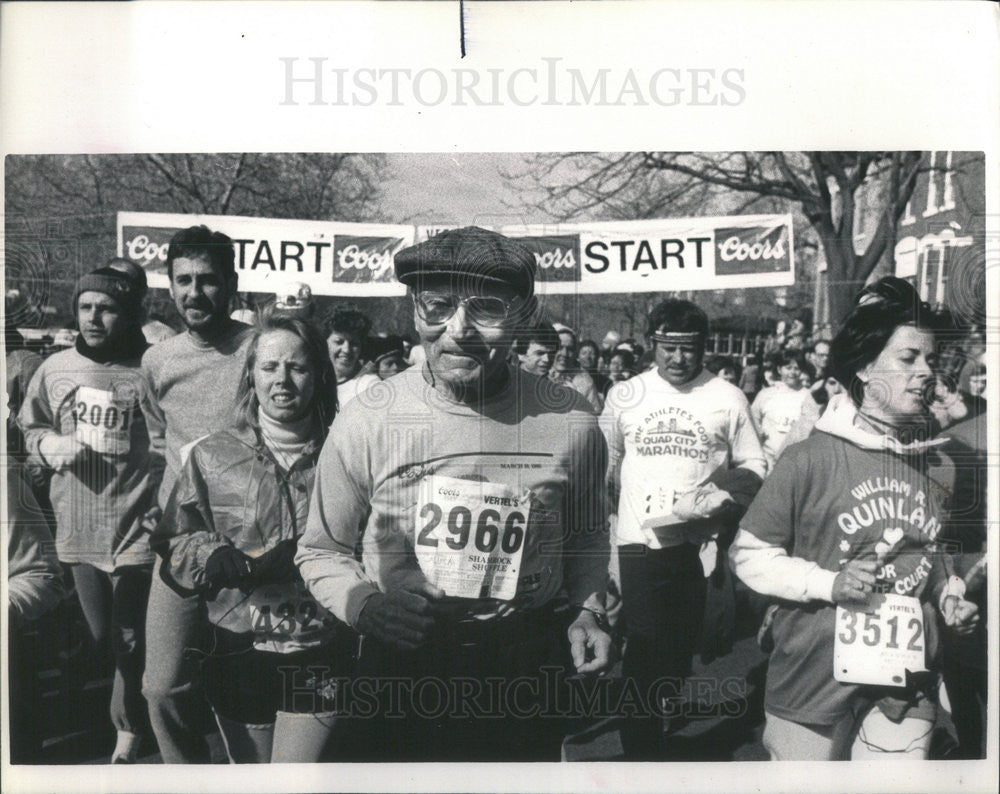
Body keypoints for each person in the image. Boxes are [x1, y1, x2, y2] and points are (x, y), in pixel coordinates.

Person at [296, 226, 612, 761]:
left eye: (485, 309)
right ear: (413, 311)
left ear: (523, 314)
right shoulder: (368, 417)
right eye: (437, 305)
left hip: (521, 668)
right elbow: (321, 549)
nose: (457, 330)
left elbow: (585, 538)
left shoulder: (573, 421)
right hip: (402, 665)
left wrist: (588, 610)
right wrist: (366, 608)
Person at [729, 281, 979, 760]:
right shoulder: (809, 458)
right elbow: (748, 554)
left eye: (930, 360)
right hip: (812, 675)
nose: (927, 372)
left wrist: (951, 599)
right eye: (909, 359)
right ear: (864, 366)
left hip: (906, 682)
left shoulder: (939, 464)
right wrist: (829, 584)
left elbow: (935, 553)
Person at [151, 314, 348, 763]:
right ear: (250, 376)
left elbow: (375, 539)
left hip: (319, 649)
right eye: (269, 367)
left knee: (293, 778)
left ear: (319, 375)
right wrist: (210, 553)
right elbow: (174, 539)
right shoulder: (211, 454)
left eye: (297, 368)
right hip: (237, 648)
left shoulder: (347, 453)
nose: (283, 379)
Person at [600, 299, 766, 760]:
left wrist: (725, 495)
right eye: (668, 348)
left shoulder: (727, 396)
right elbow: (607, 464)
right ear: (652, 345)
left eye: (689, 349)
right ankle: (642, 750)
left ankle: (663, 705)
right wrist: (610, 520)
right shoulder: (626, 394)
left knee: (680, 645)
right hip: (639, 539)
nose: (678, 358)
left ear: (704, 348)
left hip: (698, 544)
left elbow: (755, 462)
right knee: (645, 643)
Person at [20, 261, 160, 763]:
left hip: (136, 523)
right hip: (79, 526)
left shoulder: (152, 366)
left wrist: (163, 502)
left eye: (106, 308)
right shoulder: (54, 369)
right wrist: (50, 444)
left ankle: (128, 730)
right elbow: (28, 429)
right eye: (85, 307)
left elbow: (170, 441)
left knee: (127, 636)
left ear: (129, 313)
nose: (93, 318)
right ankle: (126, 707)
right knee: (104, 635)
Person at [141, 225, 255, 763]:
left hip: (255, 545)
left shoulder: (261, 352)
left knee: (246, 693)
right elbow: (160, 439)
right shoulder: (157, 362)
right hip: (182, 543)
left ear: (231, 283)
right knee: (161, 688)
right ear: (169, 286)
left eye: (207, 280)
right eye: (183, 280)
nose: (194, 292)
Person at [751, 350, 810, 471]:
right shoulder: (766, 394)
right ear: (779, 369)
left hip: (796, 462)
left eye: (797, 368)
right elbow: (753, 423)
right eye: (788, 368)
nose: (792, 372)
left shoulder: (808, 396)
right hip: (767, 459)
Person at [324, 307, 379, 406]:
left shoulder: (369, 386)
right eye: (339, 342)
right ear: (325, 342)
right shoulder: (316, 380)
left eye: (354, 343)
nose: (346, 350)